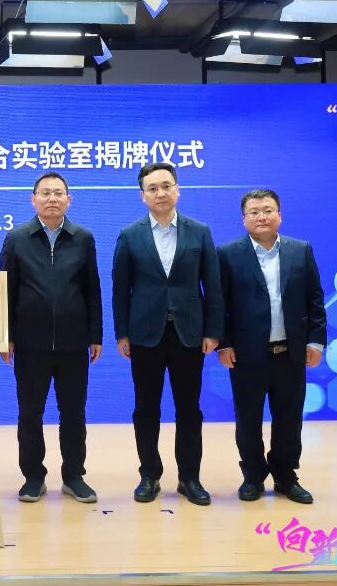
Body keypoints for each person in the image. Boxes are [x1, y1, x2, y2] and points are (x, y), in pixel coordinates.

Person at [112, 162, 222, 506]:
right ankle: (149, 475)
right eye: (153, 188)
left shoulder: (199, 232)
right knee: (146, 408)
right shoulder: (130, 235)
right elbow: (120, 288)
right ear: (142, 196)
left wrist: (213, 330)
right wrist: (121, 333)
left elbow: (213, 285)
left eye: (166, 186)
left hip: (189, 334)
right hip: (144, 335)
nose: (160, 193)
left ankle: (190, 478)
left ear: (177, 190)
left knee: (189, 408)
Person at [217, 189, 326, 504]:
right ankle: (252, 476)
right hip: (246, 355)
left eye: (267, 210)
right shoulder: (227, 254)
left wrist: (315, 341)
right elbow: (219, 304)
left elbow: (315, 299)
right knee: (248, 420)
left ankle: (285, 476)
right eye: (254, 212)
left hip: (290, 352)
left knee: (289, 419)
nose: (261, 217)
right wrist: (224, 344)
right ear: (244, 219)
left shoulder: (300, 250)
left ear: (280, 215)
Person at [0, 171, 103, 504]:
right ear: (34, 200)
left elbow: (92, 289)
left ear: (68, 200)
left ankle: (74, 476)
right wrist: (5, 335)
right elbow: (5, 291)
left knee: (73, 414)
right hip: (30, 344)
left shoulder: (83, 238)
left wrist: (95, 335)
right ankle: (33, 477)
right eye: (45, 193)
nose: (52, 198)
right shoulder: (17, 238)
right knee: (30, 414)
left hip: (74, 343)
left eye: (59, 193)